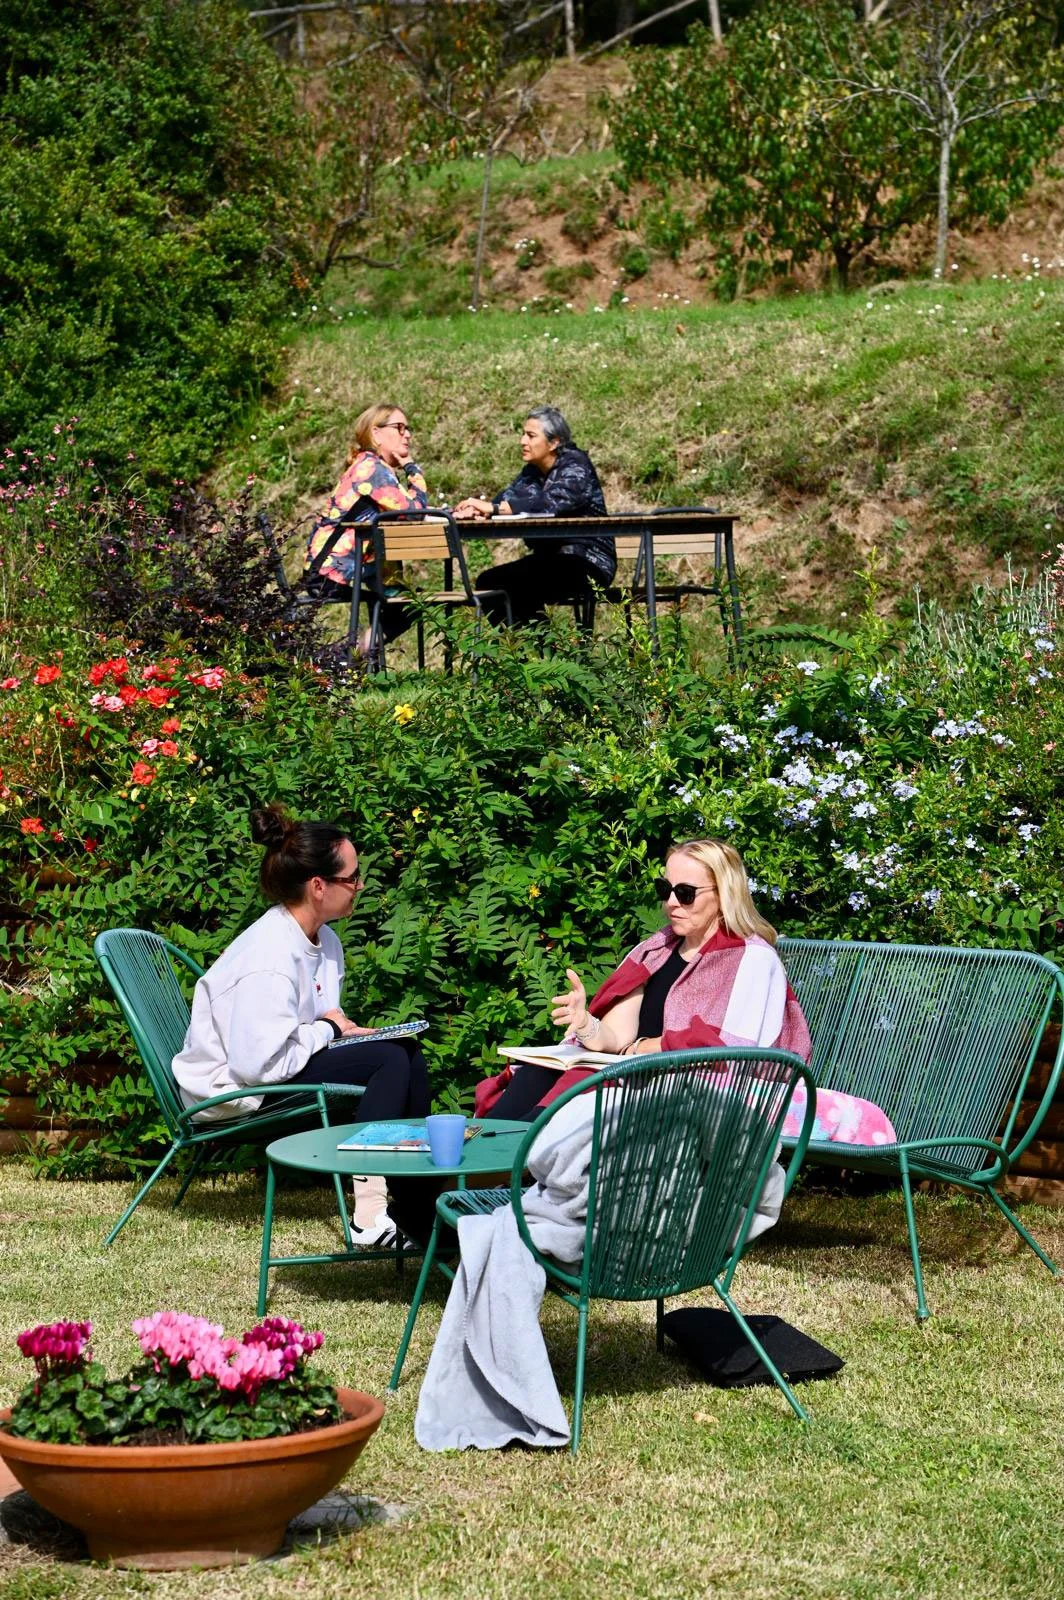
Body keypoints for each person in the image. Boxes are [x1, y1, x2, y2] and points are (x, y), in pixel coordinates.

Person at [171, 803, 428, 1246]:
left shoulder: (325, 941)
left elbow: (316, 1026)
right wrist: (330, 1031)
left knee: (405, 1051)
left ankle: (420, 1209)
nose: (360, 886)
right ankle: (369, 1216)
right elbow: (257, 1066)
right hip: (234, 1091)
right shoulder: (270, 956)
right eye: (352, 878)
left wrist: (346, 1034)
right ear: (318, 886)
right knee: (389, 1061)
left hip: (275, 1067)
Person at [477, 837, 812, 1122]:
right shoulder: (655, 952)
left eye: (685, 893)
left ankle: (509, 1165)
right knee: (536, 1073)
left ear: (724, 894)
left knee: (558, 1105)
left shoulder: (751, 960)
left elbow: (731, 1051)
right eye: (665, 889)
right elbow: (616, 1038)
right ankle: (483, 1156)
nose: (671, 903)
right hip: (627, 1076)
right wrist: (585, 1023)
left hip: (675, 1090)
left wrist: (642, 1049)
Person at [454, 406, 615, 627]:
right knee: (489, 583)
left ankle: (545, 645)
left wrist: (493, 508)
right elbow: (507, 500)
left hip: (588, 563)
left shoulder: (576, 465)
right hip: (549, 562)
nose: (522, 441)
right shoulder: (532, 472)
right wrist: (476, 511)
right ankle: (539, 645)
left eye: (530, 435)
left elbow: (550, 503)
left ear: (554, 442)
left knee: (513, 585)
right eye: (523, 434)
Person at [302, 402, 427, 653]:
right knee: (407, 606)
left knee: (408, 606)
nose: (408, 434)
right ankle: (346, 660)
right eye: (399, 427)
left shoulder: (375, 467)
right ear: (376, 434)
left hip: (353, 568)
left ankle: (347, 660)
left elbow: (405, 512)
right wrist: (412, 468)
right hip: (333, 573)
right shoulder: (372, 469)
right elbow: (416, 513)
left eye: (408, 428)